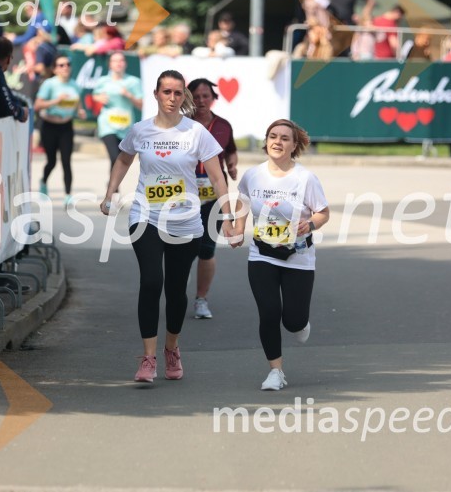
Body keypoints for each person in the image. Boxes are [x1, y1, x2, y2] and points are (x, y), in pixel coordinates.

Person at [99, 70, 236, 383]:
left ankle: (171, 348)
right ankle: (148, 358)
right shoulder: (140, 130)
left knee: (176, 290)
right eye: (167, 92)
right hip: (145, 217)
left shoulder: (196, 132)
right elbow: (123, 159)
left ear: (183, 96)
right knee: (151, 282)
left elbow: (217, 177)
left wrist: (226, 216)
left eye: (178, 93)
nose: (172, 98)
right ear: (156, 95)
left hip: (185, 220)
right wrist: (111, 192)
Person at [232, 119, 330, 391]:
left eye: (284, 138)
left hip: (298, 256)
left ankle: (300, 322)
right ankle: (275, 371)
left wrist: (309, 224)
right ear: (266, 141)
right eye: (272, 136)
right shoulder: (253, 175)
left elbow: (323, 212)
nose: (277, 141)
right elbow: (242, 201)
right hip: (262, 254)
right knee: (269, 311)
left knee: (293, 321)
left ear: (294, 145)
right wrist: (239, 229)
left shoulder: (306, 178)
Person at [187, 78, 238, 319]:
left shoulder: (223, 125)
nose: (201, 101)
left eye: (205, 95)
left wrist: (232, 165)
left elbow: (231, 150)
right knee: (183, 249)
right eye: (195, 96)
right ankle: (176, 294)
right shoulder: (181, 125)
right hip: (183, 196)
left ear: (213, 98)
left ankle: (201, 299)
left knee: (207, 248)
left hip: (214, 196)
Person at [33, 54, 86, 204]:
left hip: (66, 126)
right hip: (49, 126)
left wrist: (80, 112)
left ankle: (68, 195)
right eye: (61, 65)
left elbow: (78, 104)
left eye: (68, 64)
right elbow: (37, 105)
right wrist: (57, 100)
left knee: (66, 161)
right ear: (55, 69)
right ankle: (43, 181)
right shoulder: (49, 84)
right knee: (51, 161)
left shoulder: (75, 85)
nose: (66, 68)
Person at [92, 52, 144, 171]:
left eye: (121, 60)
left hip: (125, 125)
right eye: (115, 61)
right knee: (114, 157)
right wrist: (99, 98)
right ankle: (114, 188)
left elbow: (141, 105)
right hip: (107, 124)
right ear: (110, 64)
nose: (118, 63)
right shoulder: (102, 81)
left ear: (125, 64)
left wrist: (129, 95)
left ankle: (112, 185)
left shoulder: (133, 81)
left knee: (120, 160)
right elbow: (94, 96)